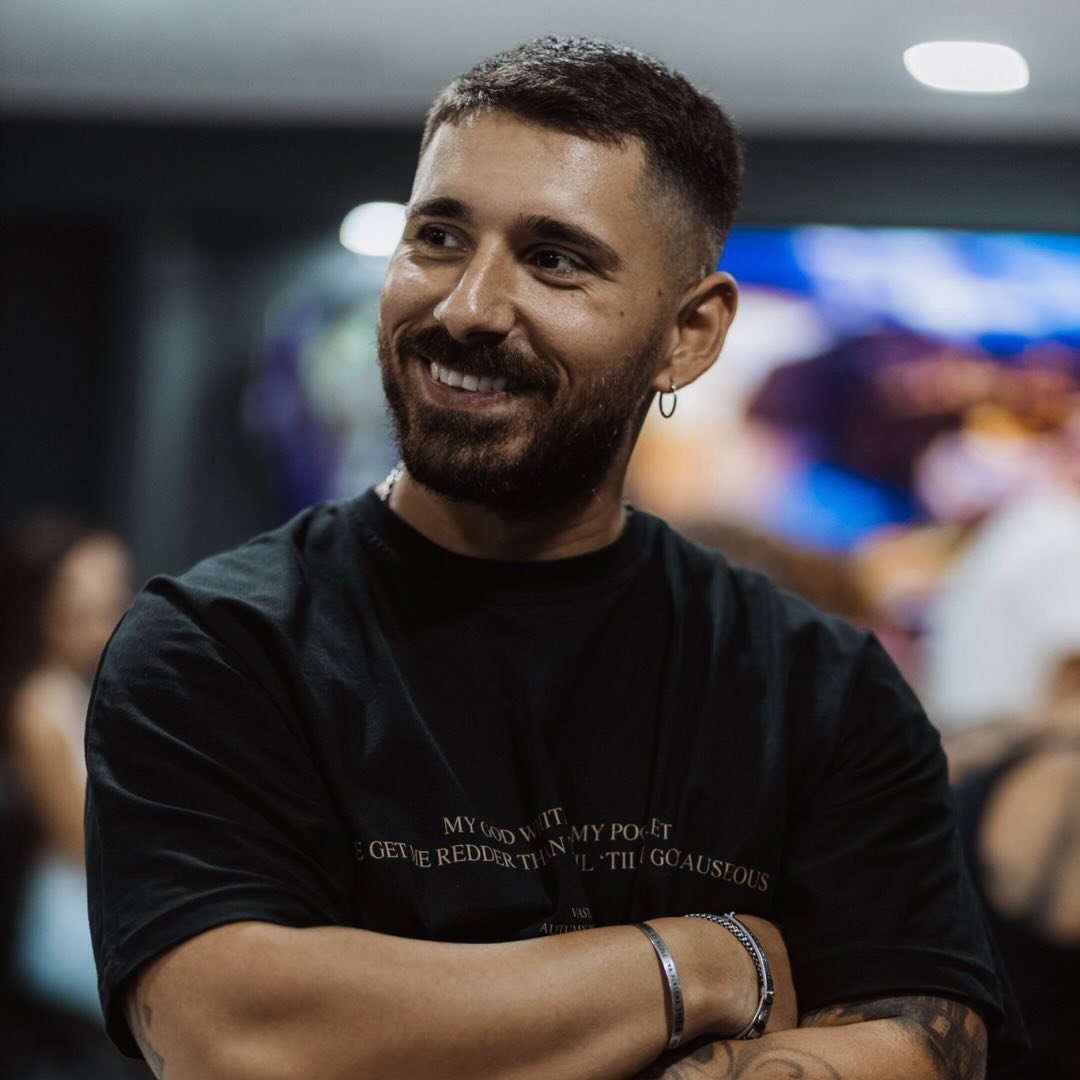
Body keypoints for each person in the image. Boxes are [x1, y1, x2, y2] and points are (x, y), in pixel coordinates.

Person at [85, 38, 1022, 1080]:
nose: (468, 307)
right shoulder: (221, 645)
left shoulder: (820, 686)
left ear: (689, 334)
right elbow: (237, 1036)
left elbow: (925, 1045)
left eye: (556, 260)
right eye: (439, 237)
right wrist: (710, 961)